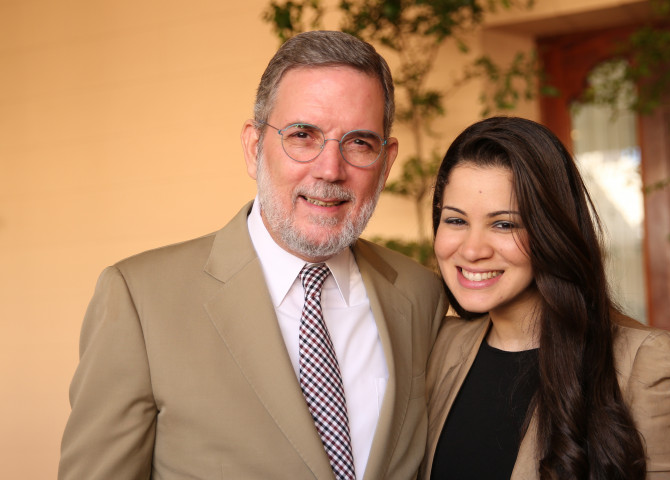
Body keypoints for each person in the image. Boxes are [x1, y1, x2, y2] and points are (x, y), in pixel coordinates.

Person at [58, 30, 448, 480]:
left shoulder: (422, 295)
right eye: (303, 135)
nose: (330, 170)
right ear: (253, 146)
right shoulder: (140, 301)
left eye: (359, 142)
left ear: (386, 161)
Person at [421, 116, 670, 479]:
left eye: (504, 224)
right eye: (455, 220)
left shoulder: (652, 364)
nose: (472, 250)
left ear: (552, 230)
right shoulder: (440, 347)